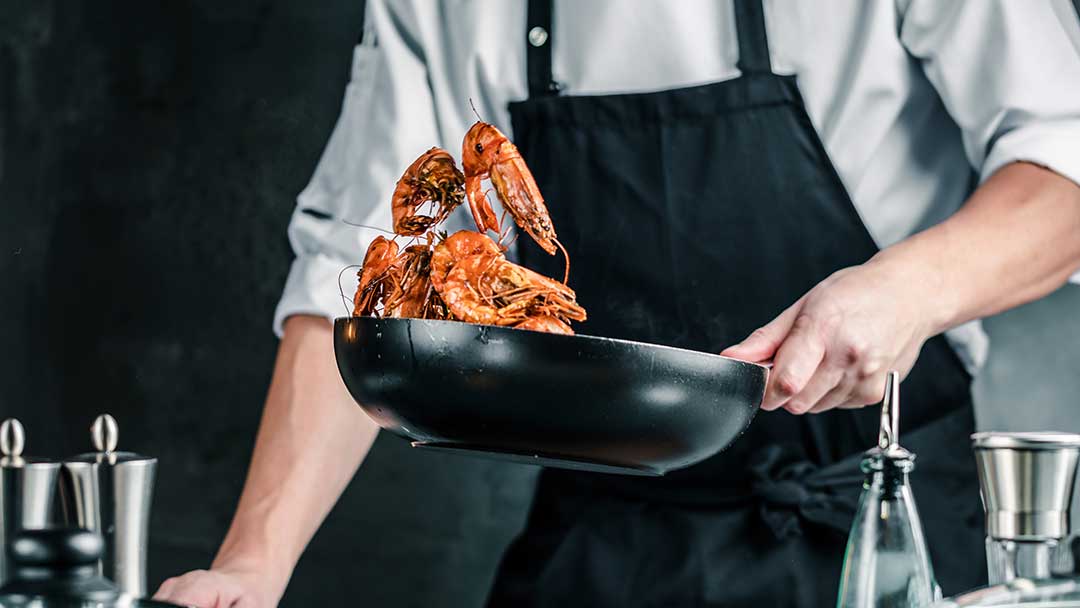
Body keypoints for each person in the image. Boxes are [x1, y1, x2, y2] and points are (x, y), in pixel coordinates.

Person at [154, 1, 1080, 606]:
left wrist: (905, 290)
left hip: (875, 536)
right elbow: (355, 277)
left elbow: (1066, 179)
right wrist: (252, 564)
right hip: (605, 544)